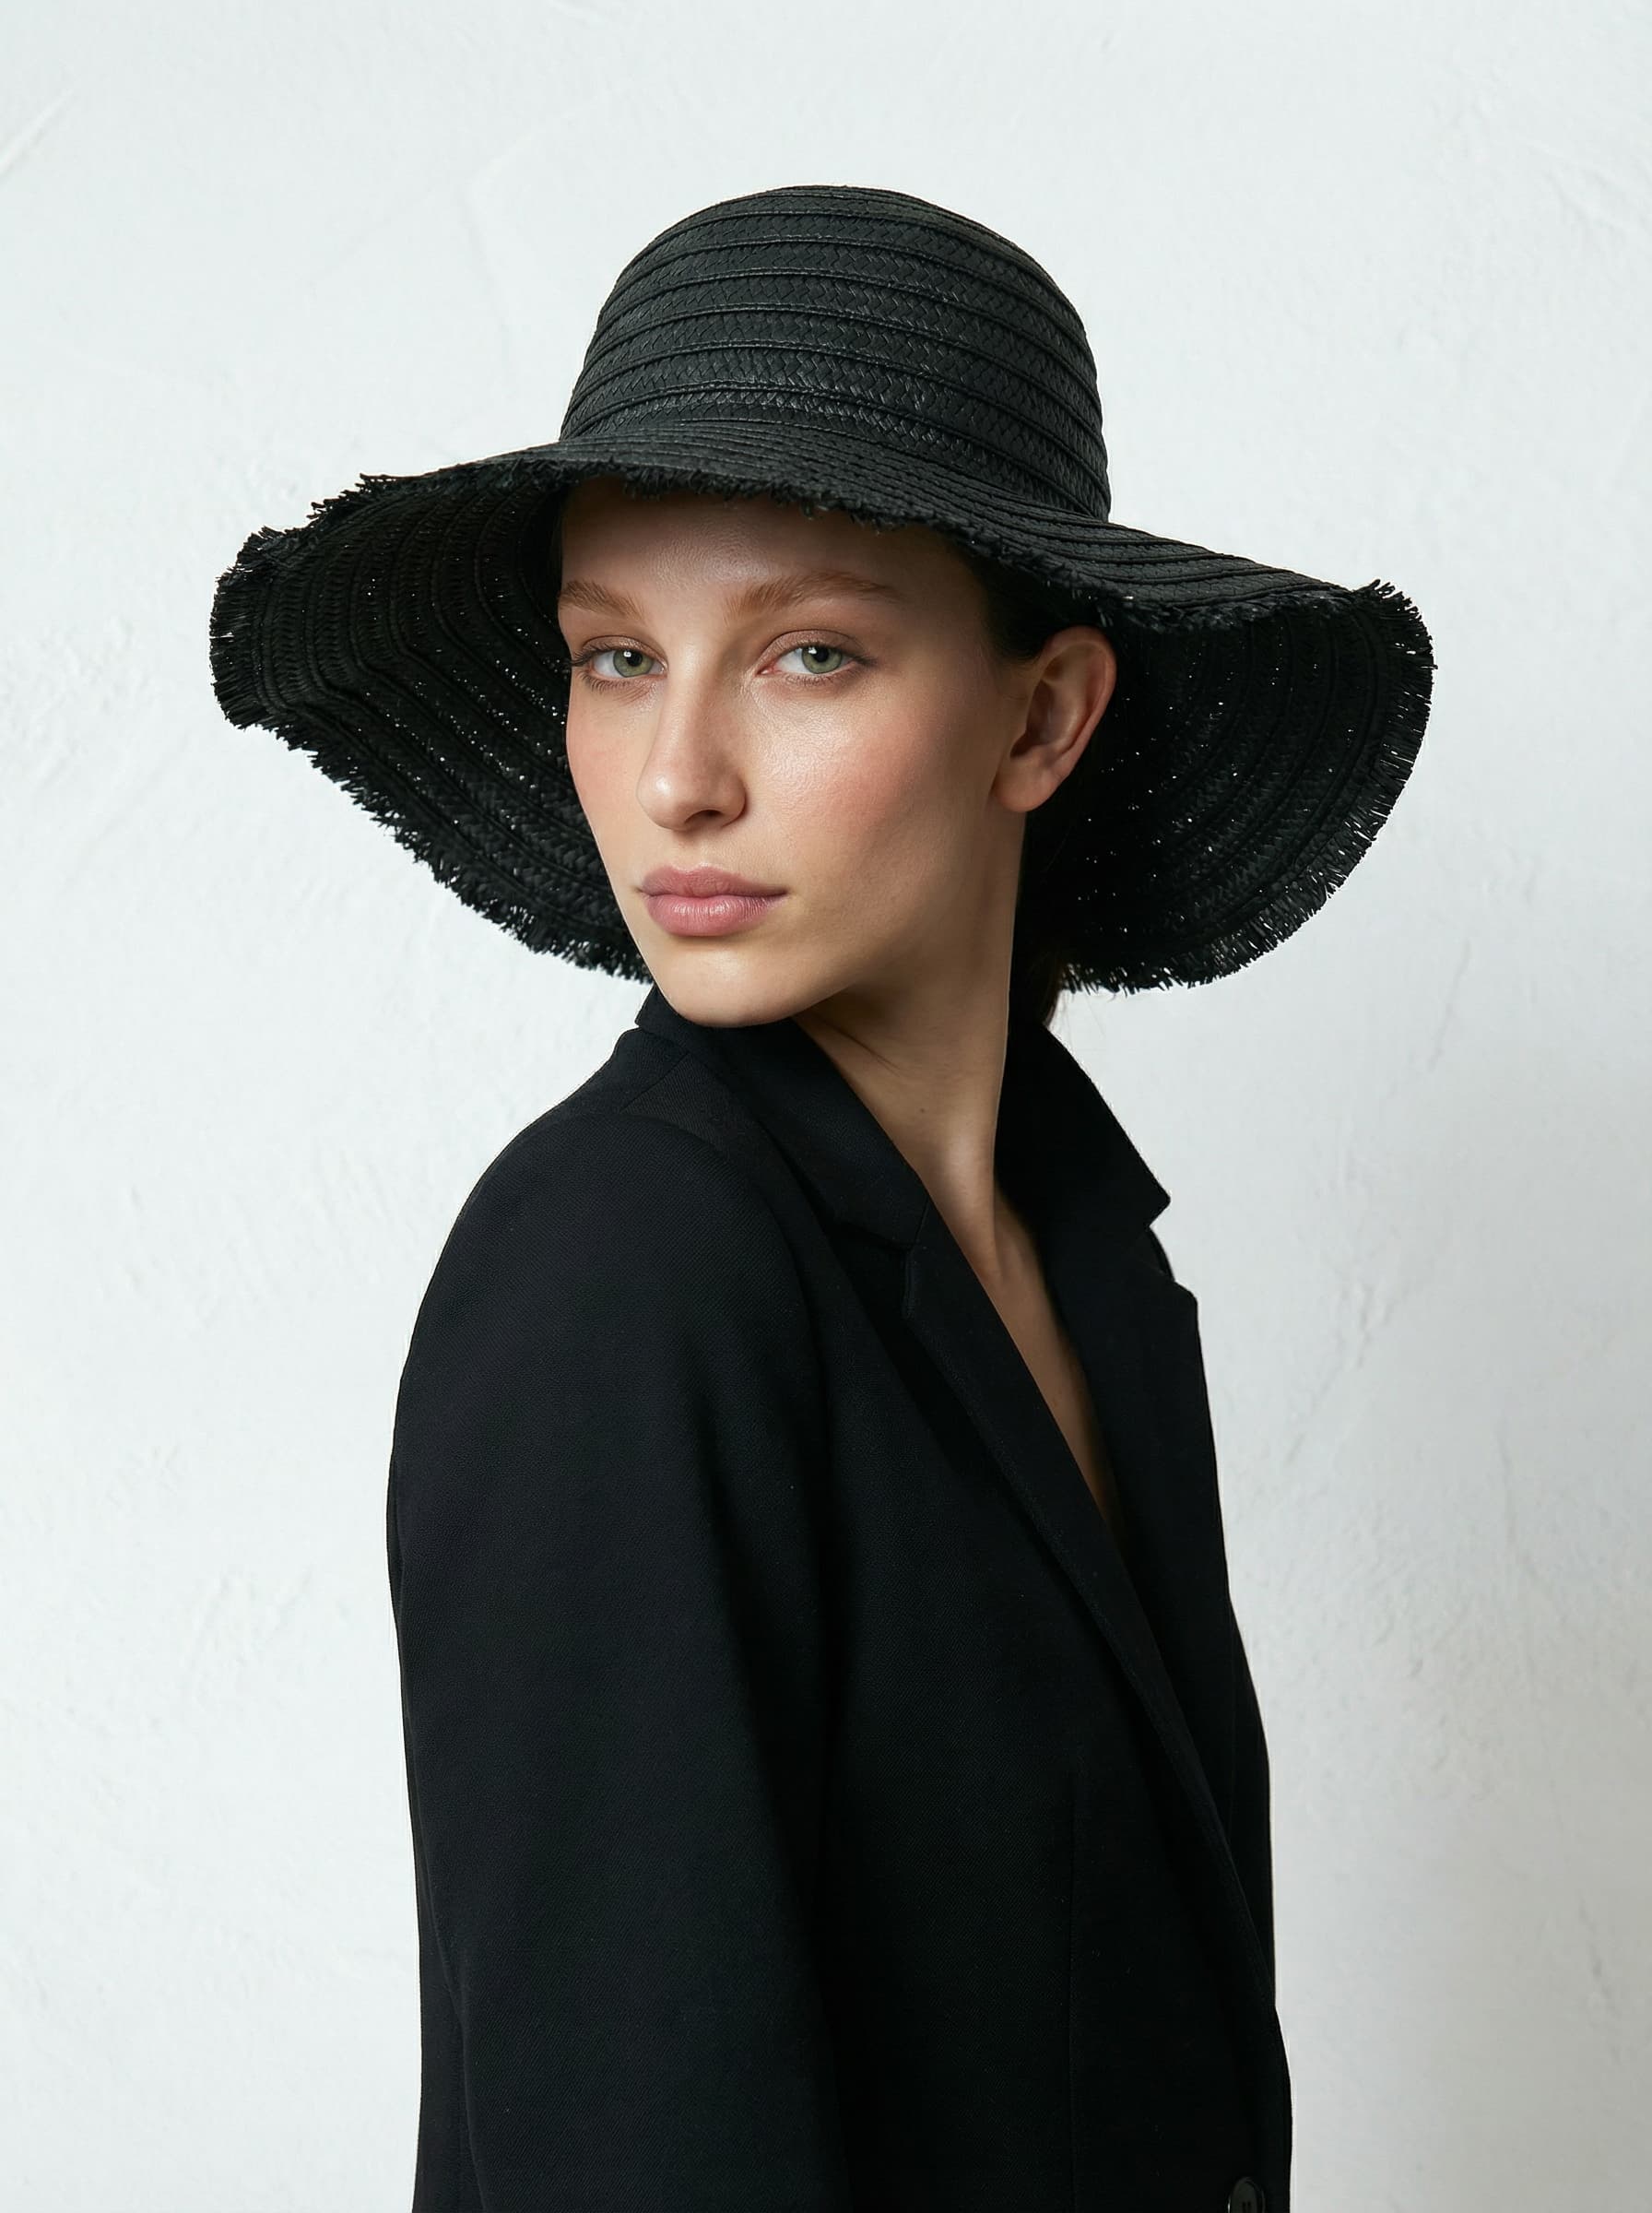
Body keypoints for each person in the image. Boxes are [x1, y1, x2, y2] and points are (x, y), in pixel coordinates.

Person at [207, 183, 1434, 2213]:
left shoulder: (1091, 1256)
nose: (677, 774)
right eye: (613, 655)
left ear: (1038, 717)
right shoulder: (625, 1268)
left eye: (802, 651)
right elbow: (631, 2135)